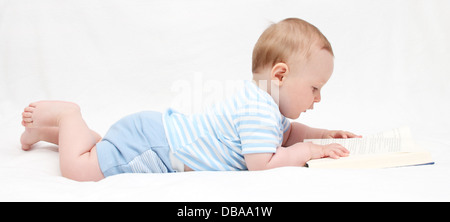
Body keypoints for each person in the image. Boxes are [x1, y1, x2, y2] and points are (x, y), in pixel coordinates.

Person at [20, 18, 360, 181]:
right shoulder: (258, 110)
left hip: (152, 135)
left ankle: (46, 133)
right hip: (155, 146)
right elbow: (263, 165)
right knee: (79, 168)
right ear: (281, 75)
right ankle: (68, 117)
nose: (318, 98)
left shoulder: (265, 105)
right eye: (315, 87)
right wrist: (311, 151)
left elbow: (287, 134)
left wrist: (324, 134)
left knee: (99, 149)